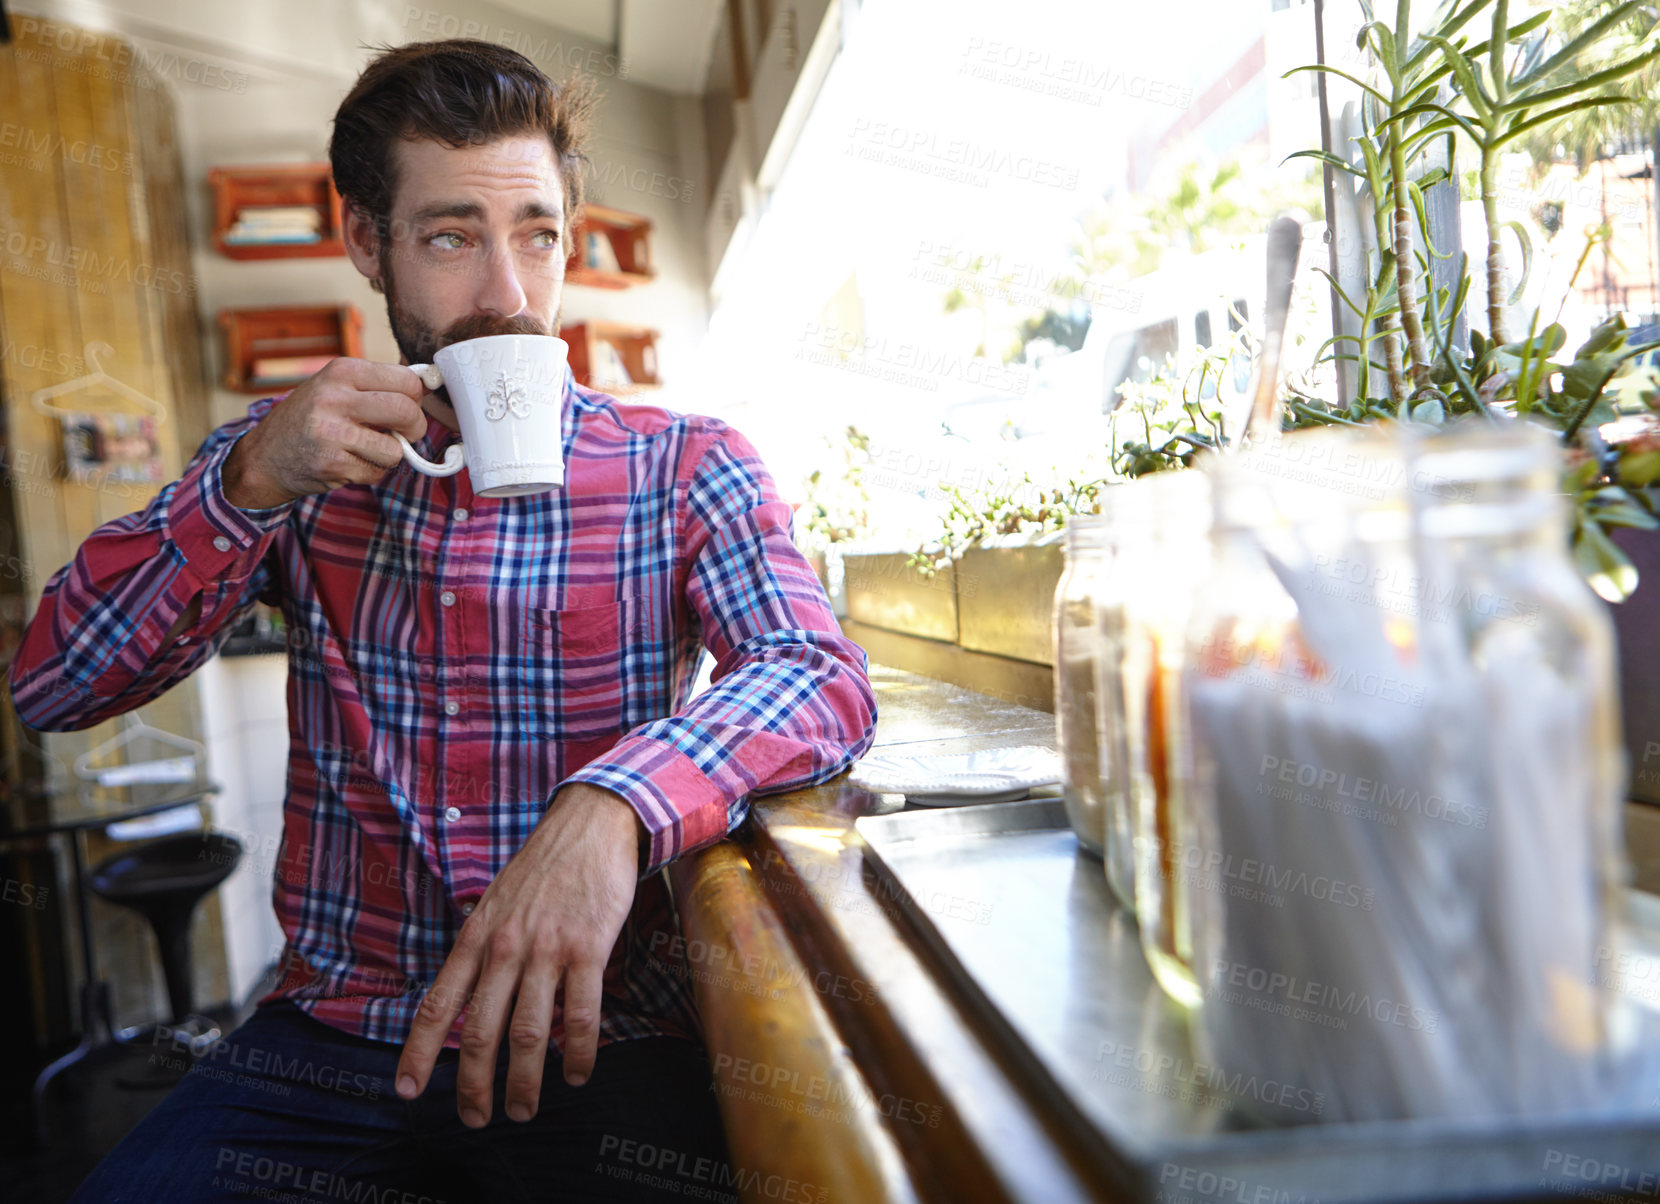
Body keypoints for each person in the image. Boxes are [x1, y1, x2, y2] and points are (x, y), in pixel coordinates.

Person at [11, 39, 876, 1203]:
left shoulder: (686, 465)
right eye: (452, 234)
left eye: (537, 232)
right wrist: (246, 484)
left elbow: (817, 674)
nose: (510, 294)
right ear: (369, 243)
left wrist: (614, 803)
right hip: (331, 1040)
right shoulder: (293, 462)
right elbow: (55, 685)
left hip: (601, 1035)